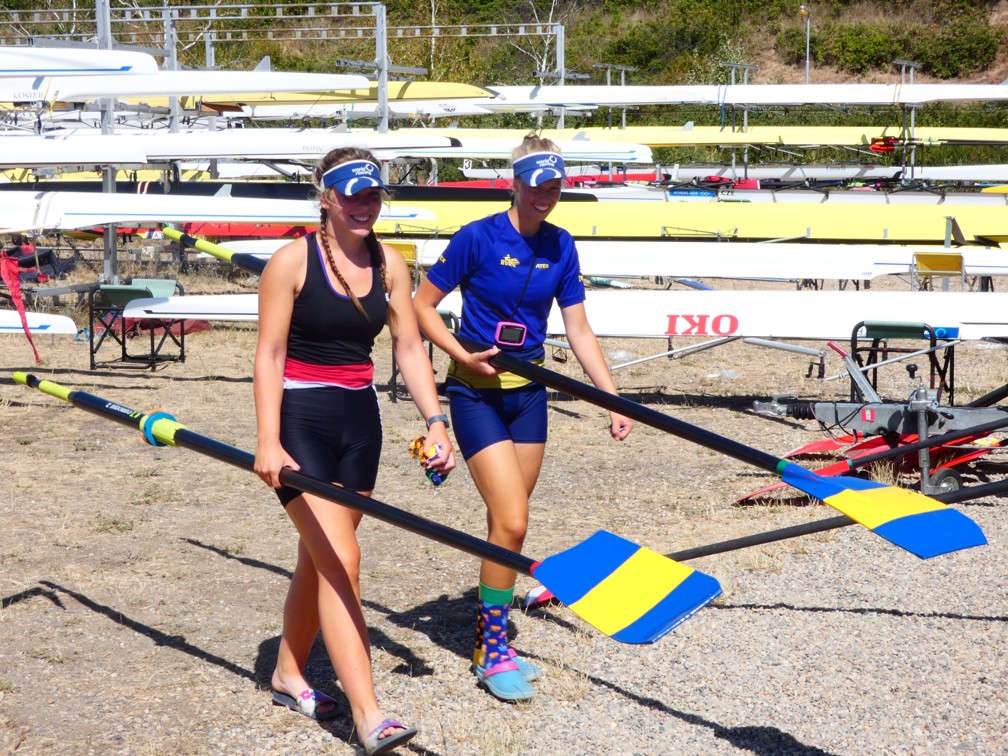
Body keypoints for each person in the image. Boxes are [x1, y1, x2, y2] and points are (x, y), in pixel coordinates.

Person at [412, 134, 634, 702]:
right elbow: (421, 307)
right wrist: (460, 354)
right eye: (536, 185)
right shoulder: (478, 237)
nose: (545, 196)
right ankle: (491, 648)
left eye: (554, 186)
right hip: (476, 394)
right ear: (514, 183)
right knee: (511, 522)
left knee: (508, 524)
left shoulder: (562, 245)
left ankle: (492, 633)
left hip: (530, 395)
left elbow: (578, 327)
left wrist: (610, 396)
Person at [254, 147, 454, 754]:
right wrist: (267, 440)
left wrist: (436, 422)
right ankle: (369, 716)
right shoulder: (292, 261)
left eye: (373, 196)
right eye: (353, 196)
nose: (364, 206)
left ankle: (288, 672)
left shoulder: (390, 264)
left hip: (360, 424)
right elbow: (268, 355)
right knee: (342, 559)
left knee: (320, 557)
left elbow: (409, 348)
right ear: (327, 198)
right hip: (301, 421)